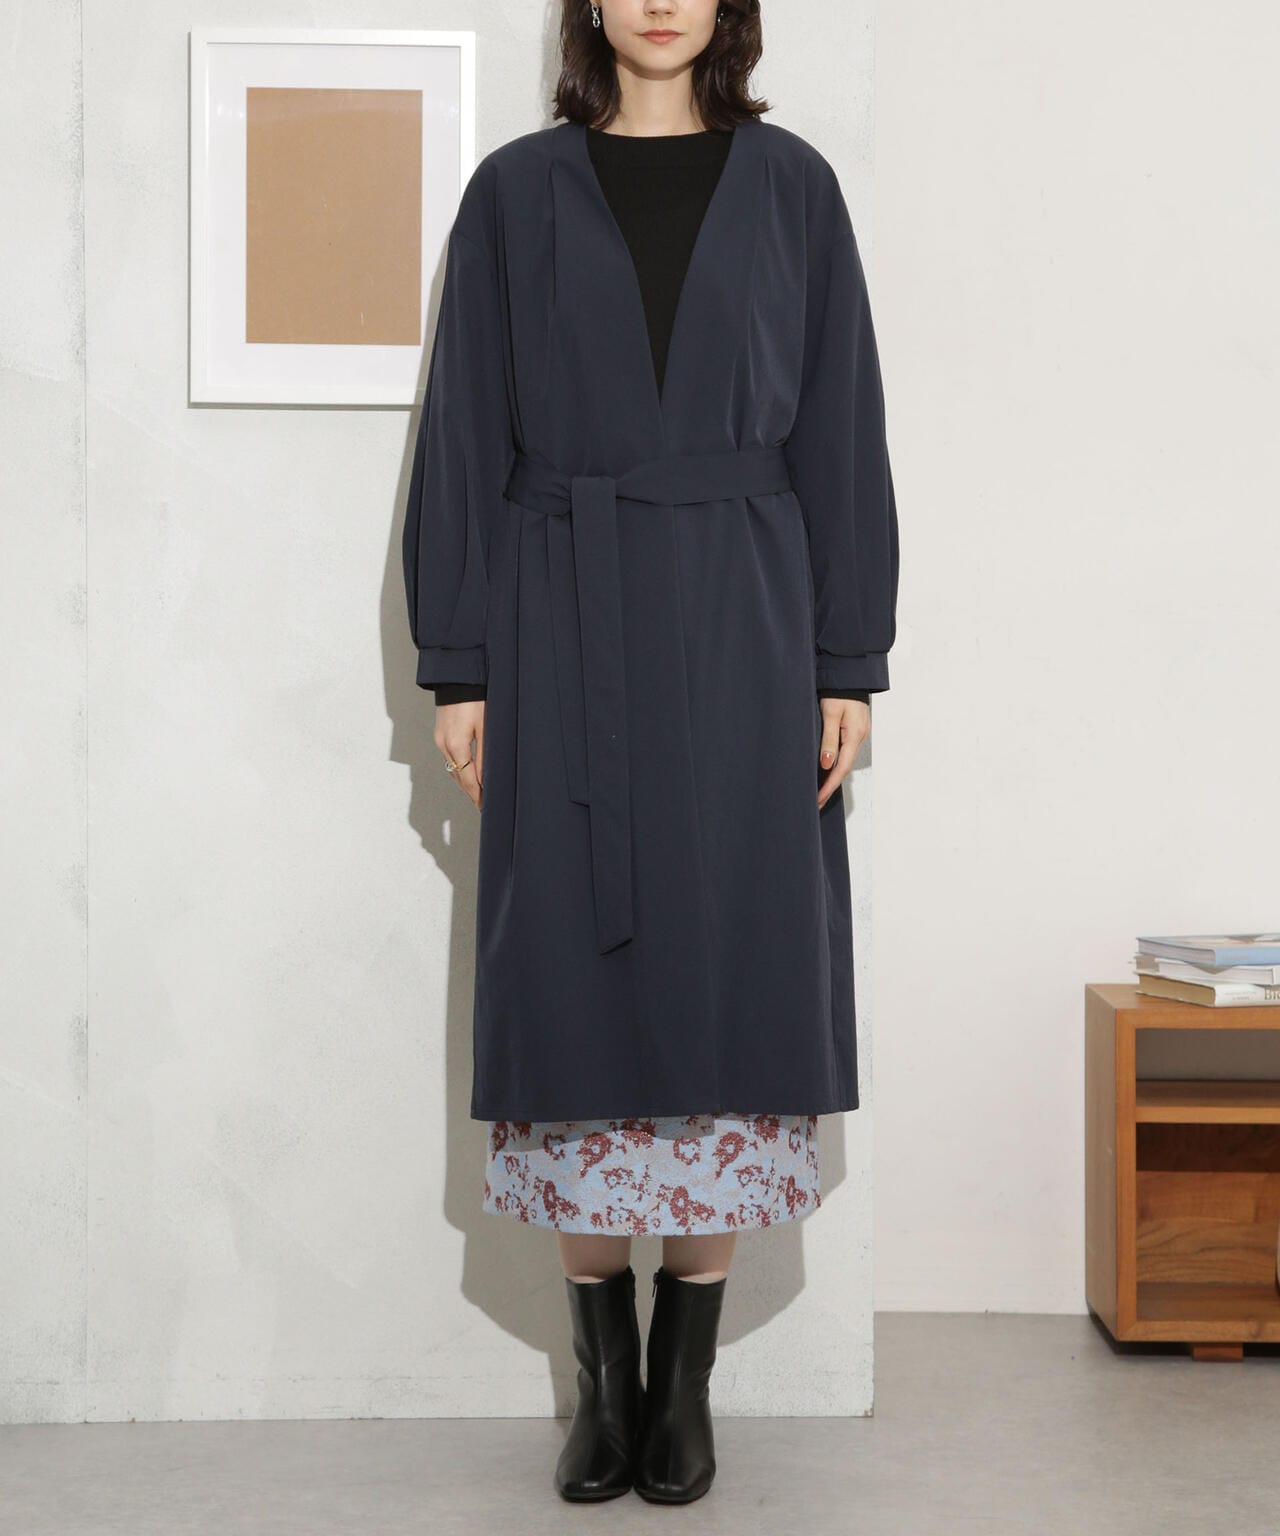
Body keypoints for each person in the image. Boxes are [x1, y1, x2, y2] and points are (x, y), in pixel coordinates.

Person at [401, 0, 899, 1506]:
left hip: (747, 627)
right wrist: (461, 663)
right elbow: (465, 429)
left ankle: (685, 1386)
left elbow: (843, 428)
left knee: (730, 972)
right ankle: (599, 1385)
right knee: (571, 987)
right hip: (562, 621)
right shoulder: (514, 192)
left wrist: (847, 657)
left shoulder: (796, 187)